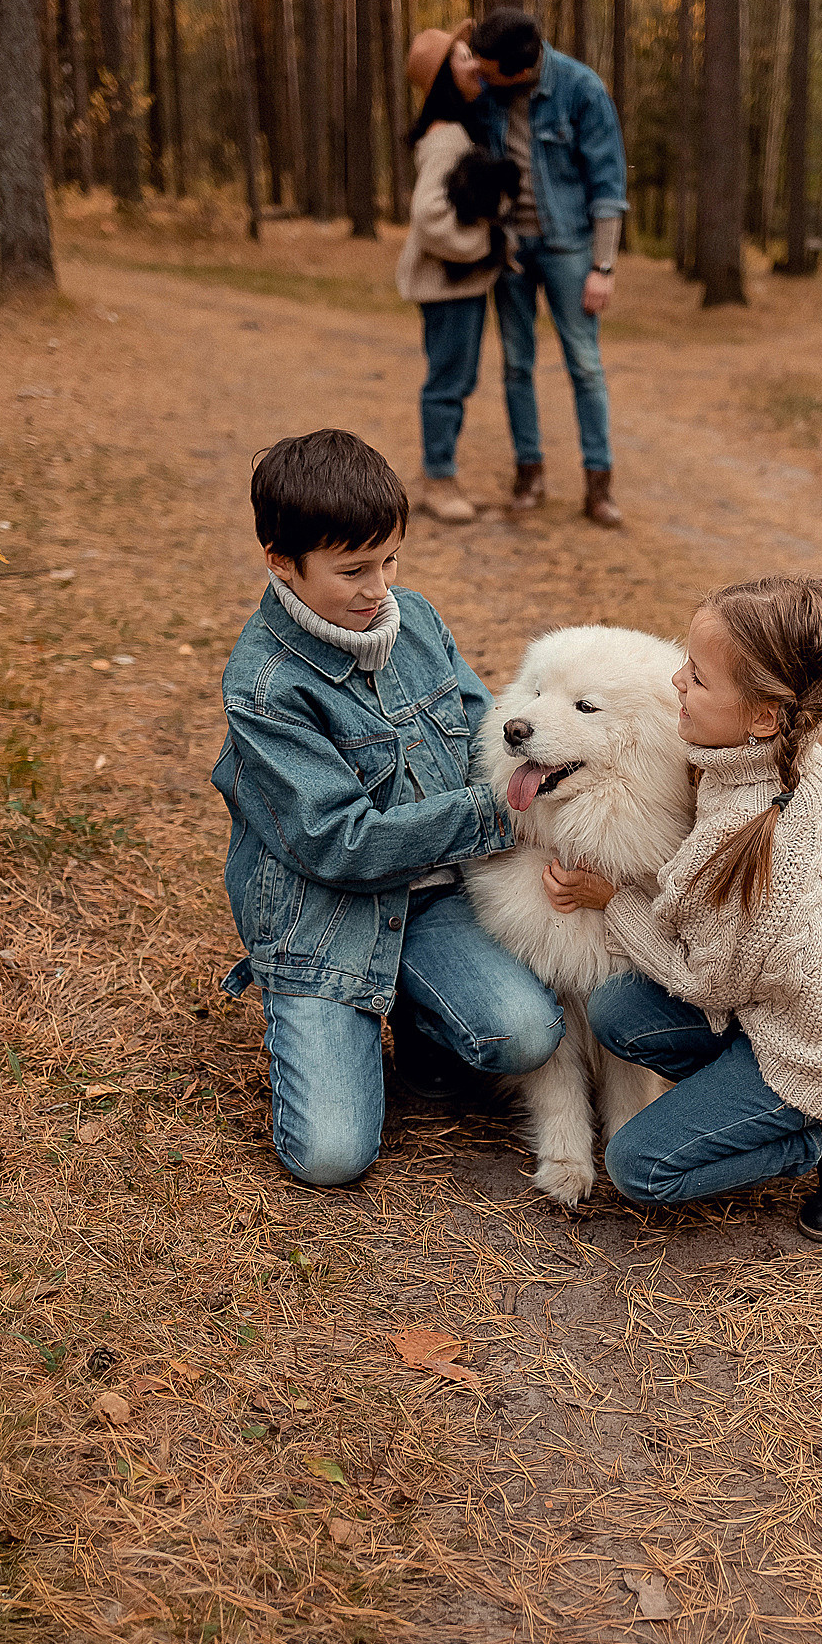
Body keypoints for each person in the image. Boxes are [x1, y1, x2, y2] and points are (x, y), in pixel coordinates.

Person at [211, 428, 564, 1188]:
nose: (379, 589)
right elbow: (341, 844)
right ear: (282, 561)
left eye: (390, 560)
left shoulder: (417, 620)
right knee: (331, 1158)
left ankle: (423, 1021)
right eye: (352, 570)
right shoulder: (266, 689)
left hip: (435, 896)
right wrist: (499, 812)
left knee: (529, 1033)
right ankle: (315, 1012)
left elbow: (483, 730)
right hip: (327, 917)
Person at [542, 576, 822, 1240]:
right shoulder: (778, 755)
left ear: (764, 714)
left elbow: (700, 981)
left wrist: (614, 900)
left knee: (641, 1168)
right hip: (790, 1008)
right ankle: (745, 1107)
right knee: (617, 1012)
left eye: (698, 678)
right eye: (686, 666)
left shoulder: (746, 839)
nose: (676, 683)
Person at [471, 8, 628, 529]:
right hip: (512, 250)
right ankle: (529, 474)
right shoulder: (489, 92)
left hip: (571, 249)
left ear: (518, 68)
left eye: (489, 67)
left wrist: (602, 266)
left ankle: (598, 486)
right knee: (516, 363)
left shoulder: (582, 90)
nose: (480, 73)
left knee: (584, 365)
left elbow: (609, 187)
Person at [397, 21, 510, 525]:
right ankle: (438, 480)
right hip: (449, 285)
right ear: (445, 77)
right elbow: (429, 217)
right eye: (463, 58)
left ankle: (440, 474)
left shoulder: (456, 130)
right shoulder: (447, 139)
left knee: (456, 378)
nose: (474, 65)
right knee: (448, 380)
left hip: (456, 283)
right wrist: (484, 245)